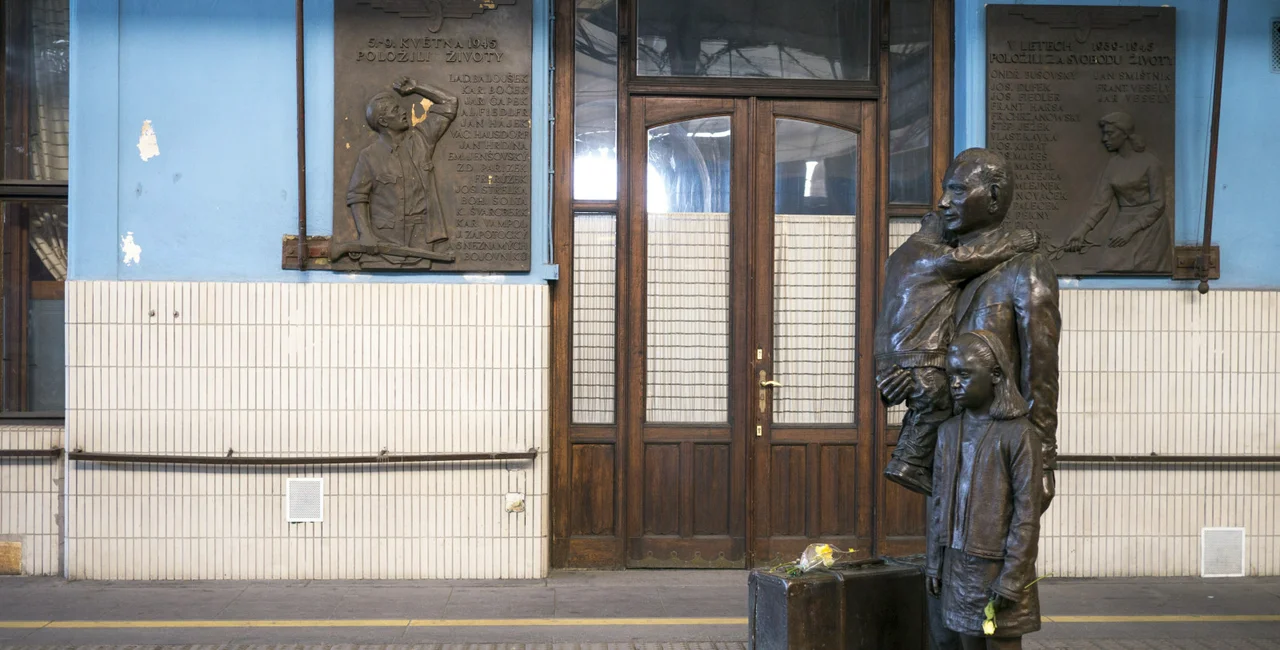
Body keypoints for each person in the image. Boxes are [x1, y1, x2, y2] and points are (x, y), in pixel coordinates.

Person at [876, 212, 1039, 495]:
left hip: (897, 354)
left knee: (925, 404)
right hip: (921, 353)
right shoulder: (931, 256)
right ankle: (908, 462)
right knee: (937, 402)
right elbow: (973, 257)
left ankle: (906, 461)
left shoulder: (898, 257)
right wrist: (1015, 242)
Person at [927, 330, 1043, 650]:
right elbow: (938, 505)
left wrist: (1012, 577)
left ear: (995, 375)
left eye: (964, 374)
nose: (955, 384)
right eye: (951, 375)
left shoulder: (1019, 434)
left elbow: (1027, 515)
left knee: (1002, 642)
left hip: (997, 570)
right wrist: (935, 563)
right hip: (958, 567)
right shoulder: (949, 433)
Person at [345, 76, 458, 262]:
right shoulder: (369, 156)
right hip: (385, 243)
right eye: (395, 110)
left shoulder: (422, 140)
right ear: (383, 121)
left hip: (423, 241)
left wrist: (417, 88)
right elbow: (357, 196)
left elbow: (450, 103)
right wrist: (365, 235)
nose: (403, 112)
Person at [1060, 112, 1170, 271]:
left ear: (1125, 134)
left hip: (1150, 227)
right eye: (1104, 134)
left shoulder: (1150, 163)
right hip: (1123, 222)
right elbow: (1101, 203)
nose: (1104, 139)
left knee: (1144, 269)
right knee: (1109, 266)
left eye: (1110, 133)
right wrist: (1081, 231)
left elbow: (1159, 203)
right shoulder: (1113, 165)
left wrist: (1131, 229)